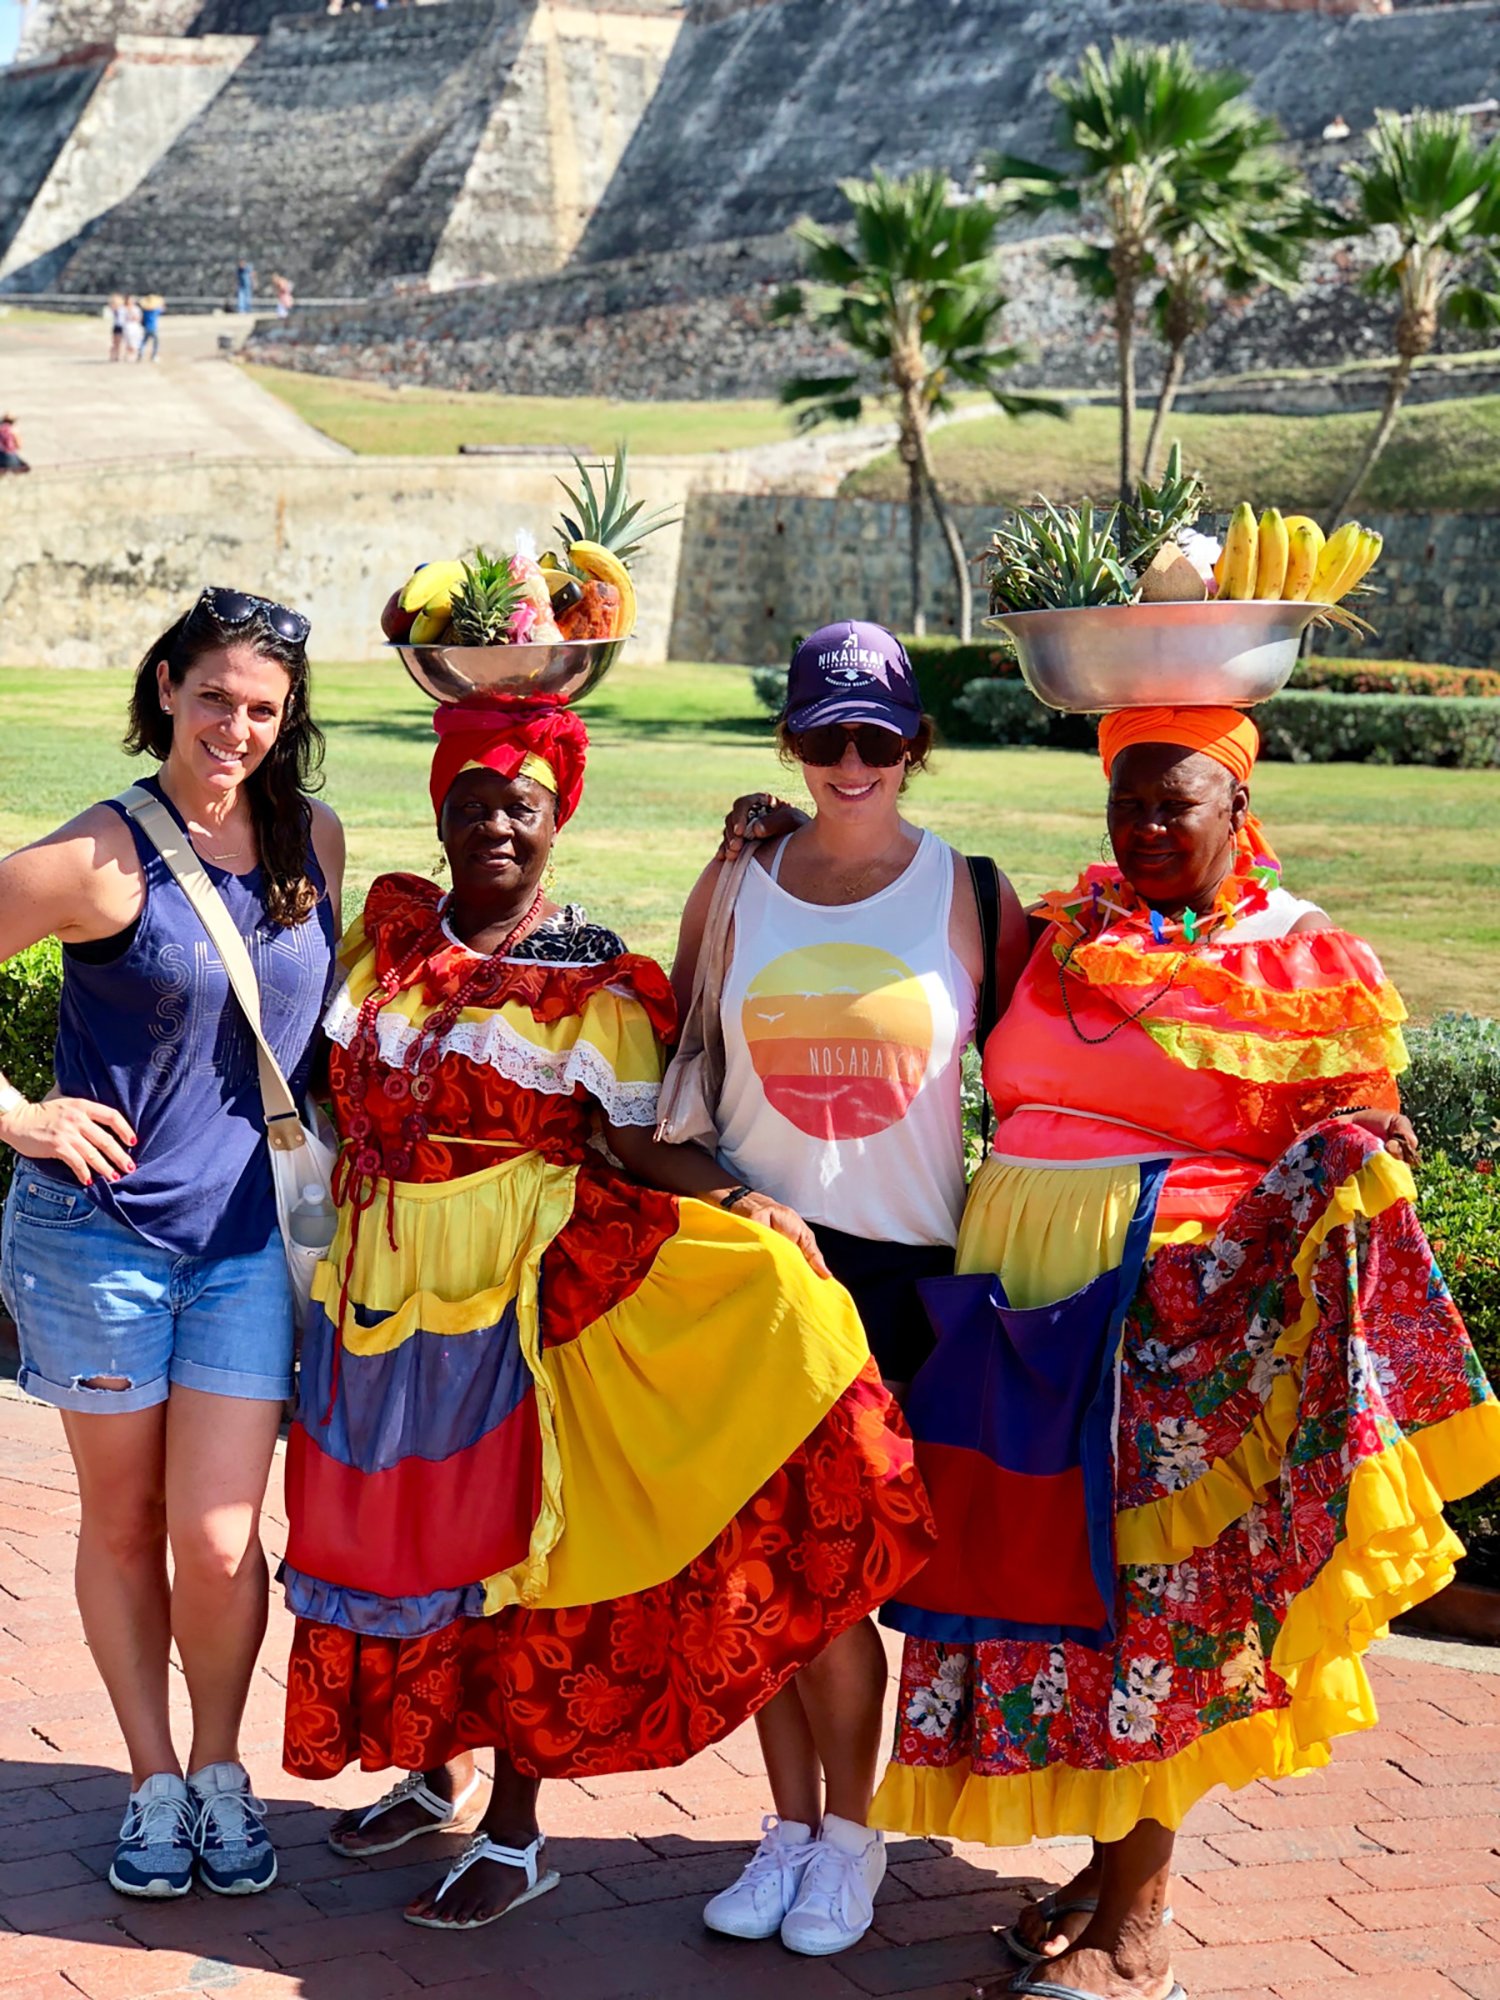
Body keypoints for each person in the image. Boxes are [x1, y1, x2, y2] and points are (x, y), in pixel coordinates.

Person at [868, 705, 1500, 2000]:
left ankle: (1138, 1924)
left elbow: (1359, 1111)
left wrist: (1357, 1145)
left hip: (1169, 1312)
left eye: (1178, 805)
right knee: (1054, 1582)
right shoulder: (1064, 934)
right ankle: (1105, 1876)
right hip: (1021, 1291)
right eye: (1128, 805)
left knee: (1145, 1600)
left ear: (1237, 806)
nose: (1148, 830)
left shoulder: (1298, 952)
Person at [281, 697, 935, 1932]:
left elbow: (634, 1142)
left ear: (555, 821)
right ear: (439, 809)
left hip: (515, 1295)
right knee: (400, 1534)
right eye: (471, 804)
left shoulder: (584, 979)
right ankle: (434, 1767)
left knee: (516, 1549)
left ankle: (517, 1834)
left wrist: (745, 1204)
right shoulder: (387, 943)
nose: (494, 828)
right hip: (377, 1286)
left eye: (519, 808)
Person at [672, 622, 1029, 1956]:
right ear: (791, 745)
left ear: (915, 746)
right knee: (764, 1578)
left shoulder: (968, 894)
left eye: (876, 737)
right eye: (823, 736)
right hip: (762, 1268)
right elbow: (681, 1077)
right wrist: (725, 1203)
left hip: (898, 1282)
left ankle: (851, 1838)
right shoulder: (738, 884)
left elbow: (1066, 1067)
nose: (849, 761)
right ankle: (788, 1830)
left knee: (840, 1584)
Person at [0, 589, 343, 1903]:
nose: (235, 729)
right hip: (100, 1242)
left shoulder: (311, 836)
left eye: (262, 708)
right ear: (164, 688)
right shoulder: (96, 857)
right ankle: (151, 1780)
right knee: (125, 1519)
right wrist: (21, 1114)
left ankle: (218, 1767)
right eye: (214, 699)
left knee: (217, 1539)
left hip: (252, 1239)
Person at [138, 294, 163, 363]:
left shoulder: (145, 311)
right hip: (153, 328)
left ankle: (141, 353)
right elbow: (162, 309)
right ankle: (154, 356)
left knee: (144, 341)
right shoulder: (155, 311)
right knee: (156, 342)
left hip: (146, 328)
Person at [108, 295, 127, 362]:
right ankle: (114, 355)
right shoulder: (116, 309)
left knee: (119, 342)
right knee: (115, 342)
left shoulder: (123, 308)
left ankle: (118, 356)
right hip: (117, 326)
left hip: (121, 326)